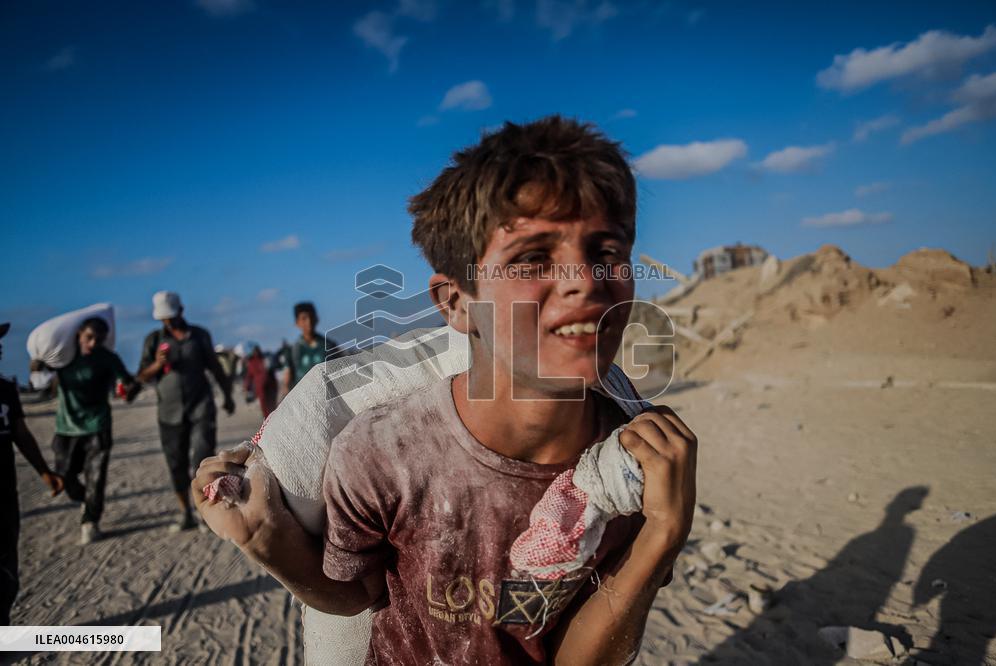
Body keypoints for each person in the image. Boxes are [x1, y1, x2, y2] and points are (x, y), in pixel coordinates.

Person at [195, 116, 697, 664]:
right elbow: (357, 596)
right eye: (533, 258)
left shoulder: (630, 469)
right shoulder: (382, 453)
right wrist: (264, 537)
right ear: (456, 303)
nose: (585, 280)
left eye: (606, 252)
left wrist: (662, 533)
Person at [138, 291, 235, 532]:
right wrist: (157, 364)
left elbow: (215, 367)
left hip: (201, 406)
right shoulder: (153, 341)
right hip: (169, 412)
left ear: (181, 311)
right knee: (176, 464)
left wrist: (228, 395)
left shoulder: (199, 336)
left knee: (202, 459)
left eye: (171, 317)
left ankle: (204, 513)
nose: (168, 322)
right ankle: (185, 513)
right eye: (164, 319)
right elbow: (141, 376)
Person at [48, 317, 140, 544]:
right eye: (88, 337)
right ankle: (86, 501)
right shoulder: (63, 355)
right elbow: (41, 369)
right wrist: (37, 365)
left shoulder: (107, 358)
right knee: (64, 476)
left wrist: (129, 390)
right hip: (66, 427)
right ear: (79, 333)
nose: (92, 344)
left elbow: (128, 382)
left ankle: (90, 521)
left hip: (97, 426)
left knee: (95, 478)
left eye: (98, 340)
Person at [0, 322, 63, 624]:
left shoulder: (5, 389)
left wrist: (44, 471)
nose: (0, 347)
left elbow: (20, 433)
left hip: (4, 494)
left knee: (6, 568)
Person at [282, 302, 338, 394]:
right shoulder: (292, 351)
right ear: (297, 323)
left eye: (311, 317)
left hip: (328, 396)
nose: (309, 321)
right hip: (302, 398)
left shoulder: (329, 346)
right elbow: (287, 383)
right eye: (304, 318)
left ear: (316, 319)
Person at [242, 343, 277, 420]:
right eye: (255, 350)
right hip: (260, 388)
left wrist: (274, 386)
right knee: (264, 406)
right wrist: (246, 386)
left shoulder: (265, 358)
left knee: (272, 405)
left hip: (270, 386)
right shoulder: (251, 362)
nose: (256, 352)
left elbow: (271, 371)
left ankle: (274, 420)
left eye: (257, 350)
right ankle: (267, 421)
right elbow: (249, 376)